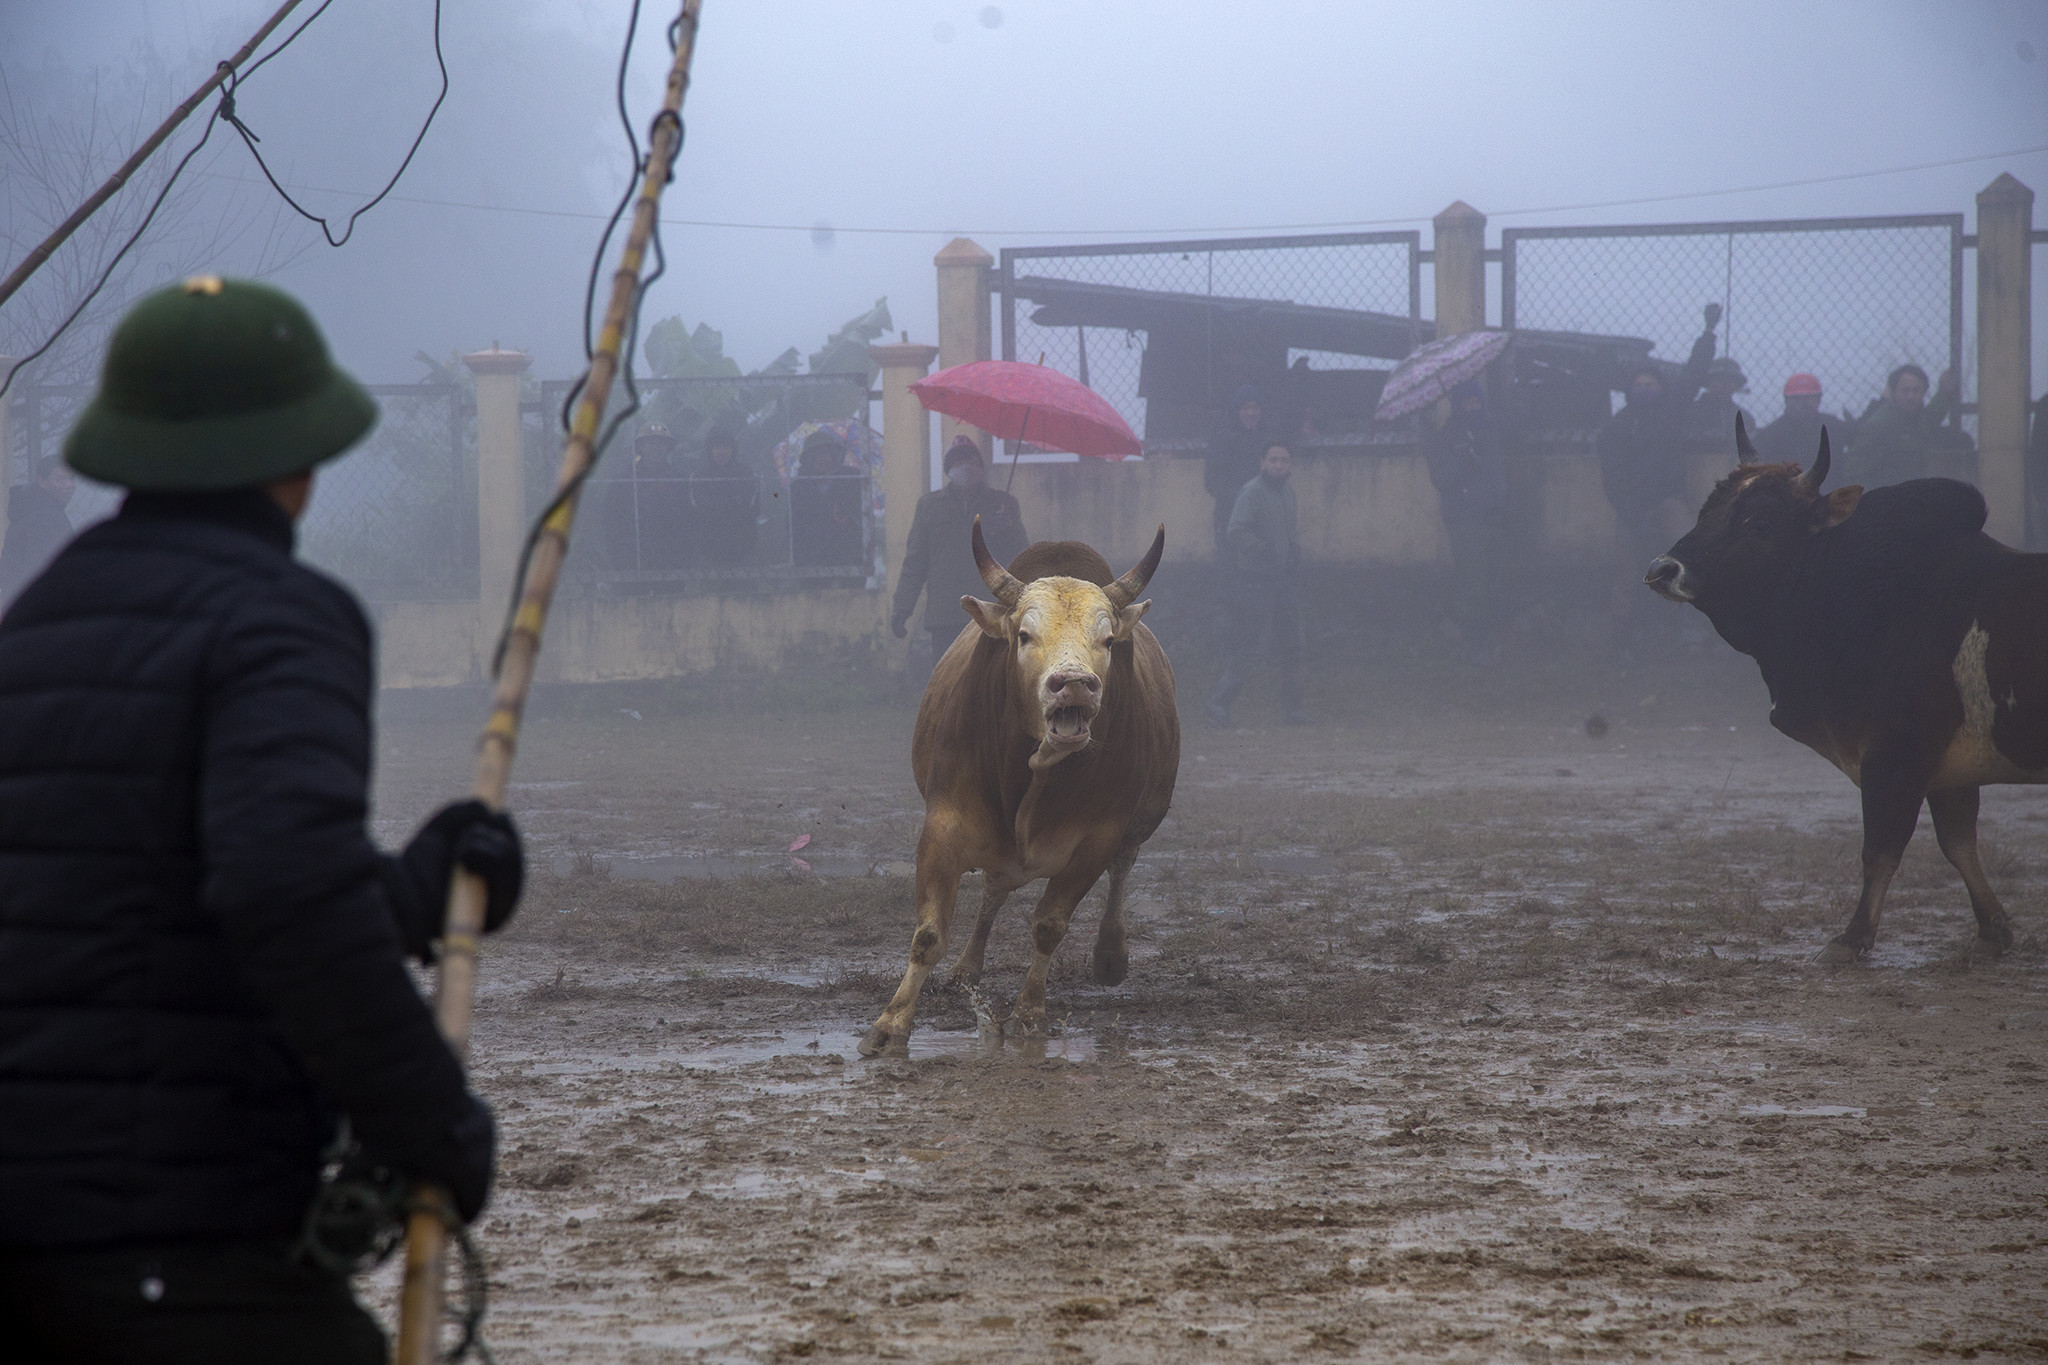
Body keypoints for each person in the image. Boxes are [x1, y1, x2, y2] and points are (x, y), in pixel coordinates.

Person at [0, 277, 524, 1363]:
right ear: (299, 462)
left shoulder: (36, 622)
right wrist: (432, 1125)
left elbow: (146, 887)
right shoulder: (281, 618)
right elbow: (281, 893)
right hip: (167, 1243)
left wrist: (422, 887)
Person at [1598, 302, 1720, 645]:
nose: (1645, 387)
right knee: (1628, 569)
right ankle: (1622, 637)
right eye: (1639, 383)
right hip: (1632, 508)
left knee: (1687, 559)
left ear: (1661, 388)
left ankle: (1689, 628)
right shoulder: (1616, 428)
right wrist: (1632, 514)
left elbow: (1693, 374)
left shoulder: (1671, 413)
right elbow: (1613, 478)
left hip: (1669, 501)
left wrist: (1708, 334)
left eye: (1651, 382)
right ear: (1629, 389)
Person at [891, 435, 1028, 678]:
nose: (966, 465)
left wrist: (1007, 529)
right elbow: (915, 561)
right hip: (945, 612)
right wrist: (902, 608)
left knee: (989, 681)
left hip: (990, 611)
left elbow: (1020, 557)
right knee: (948, 682)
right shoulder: (929, 506)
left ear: (981, 467)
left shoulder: (1002, 504)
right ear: (948, 469)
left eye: (971, 459)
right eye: (959, 460)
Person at [1207, 441, 1306, 726]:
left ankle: (1293, 709)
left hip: (1283, 580)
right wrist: (1263, 551)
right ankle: (1219, 704)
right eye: (1273, 460)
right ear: (1262, 462)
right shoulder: (1251, 492)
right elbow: (1236, 531)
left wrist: (1293, 552)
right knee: (1246, 644)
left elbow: (1288, 533)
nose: (1279, 465)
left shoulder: (1288, 493)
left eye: (1284, 460)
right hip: (1255, 582)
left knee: (1292, 643)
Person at [1423, 379, 1508, 663]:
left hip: (1494, 514)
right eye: (1467, 404)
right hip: (1464, 518)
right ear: (1457, 406)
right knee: (1472, 582)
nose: (1473, 408)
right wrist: (1462, 460)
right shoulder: (1446, 437)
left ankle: (1492, 637)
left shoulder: (1492, 430)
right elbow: (1441, 478)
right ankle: (1474, 641)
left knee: (1495, 578)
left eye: (1476, 402)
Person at [1848, 364, 1966, 489]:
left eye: (1916, 391)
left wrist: (1944, 391)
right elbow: (1855, 471)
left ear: (1923, 392)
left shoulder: (1919, 418)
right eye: (1905, 390)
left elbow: (1932, 415)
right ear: (1894, 393)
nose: (1911, 396)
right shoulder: (1879, 425)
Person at [0, 452, 78, 606]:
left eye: (71, 478)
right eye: (60, 479)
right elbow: (46, 574)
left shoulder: (27, 511)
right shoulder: (47, 518)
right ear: (42, 481)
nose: (69, 485)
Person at [1203, 383, 1269, 552]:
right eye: (1245, 408)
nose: (1251, 413)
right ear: (1236, 411)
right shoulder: (1221, 438)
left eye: (1255, 407)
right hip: (1229, 515)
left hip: (1260, 515)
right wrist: (1241, 498)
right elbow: (1212, 480)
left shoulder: (1266, 437)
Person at [790, 429, 866, 569]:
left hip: (848, 558)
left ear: (834, 455)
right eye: (818, 453)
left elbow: (861, 514)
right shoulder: (798, 486)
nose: (823, 458)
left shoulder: (851, 478)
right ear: (809, 458)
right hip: (812, 560)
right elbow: (795, 526)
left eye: (827, 453)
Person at [690, 425, 759, 566]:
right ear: (709, 450)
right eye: (717, 447)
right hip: (708, 549)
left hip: (743, 547)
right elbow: (699, 510)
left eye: (726, 447)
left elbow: (752, 508)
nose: (722, 451)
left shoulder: (746, 473)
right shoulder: (699, 476)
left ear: (733, 449)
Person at [629, 421, 692, 570]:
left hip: (673, 560)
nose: (655, 448)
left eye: (661, 443)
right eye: (649, 443)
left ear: (668, 447)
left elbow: (690, 519)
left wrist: (685, 555)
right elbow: (613, 521)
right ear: (640, 447)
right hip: (633, 560)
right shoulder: (626, 480)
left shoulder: (682, 479)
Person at [1752, 372, 1837, 463]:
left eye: (1807, 398)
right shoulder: (1769, 436)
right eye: (1796, 398)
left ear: (1818, 399)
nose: (1802, 403)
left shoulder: (1835, 427)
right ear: (1786, 400)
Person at [1682, 356, 1755, 455]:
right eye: (1720, 379)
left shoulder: (1745, 418)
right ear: (1708, 382)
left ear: (1737, 385)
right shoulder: (1690, 412)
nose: (1725, 385)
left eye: (1731, 381)